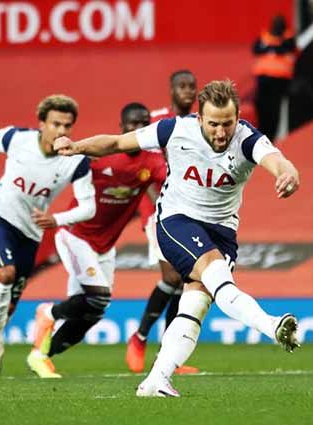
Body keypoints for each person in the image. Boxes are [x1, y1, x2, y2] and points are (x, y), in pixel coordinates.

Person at [54, 80, 301, 397]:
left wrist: (288, 173)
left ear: (238, 118)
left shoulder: (248, 138)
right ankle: (271, 325)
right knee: (217, 276)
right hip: (176, 220)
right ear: (200, 119)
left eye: (227, 123)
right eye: (213, 124)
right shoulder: (174, 129)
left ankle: (156, 380)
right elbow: (117, 144)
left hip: (222, 230)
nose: (221, 133)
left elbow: (278, 161)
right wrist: (76, 146)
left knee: (195, 304)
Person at [0, 95, 95, 378]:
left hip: (30, 233)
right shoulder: (18, 138)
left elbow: (88, 207)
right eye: (56, 124)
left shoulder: (76, 161)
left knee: (6, 307)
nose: (62, 132)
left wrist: (56, 219)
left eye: (67, 126)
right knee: (5, 274)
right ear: (42, 124)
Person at [25, 102, 169, 378]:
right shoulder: (101, 155)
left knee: (94, 311)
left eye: (144, 124)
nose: (138, 129)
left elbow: (173, 181)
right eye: (133, 124)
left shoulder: (151, 162)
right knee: (97, 294)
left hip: (104, 246)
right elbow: (61, 165)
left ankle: (40, 355)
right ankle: (48, 313)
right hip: (75, 235)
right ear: (121, 127)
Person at [127, 69, 200, 375]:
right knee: (171, 278)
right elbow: (134, 155)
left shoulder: (202, 123)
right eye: (181, 86)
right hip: (156, 209)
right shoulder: (155, 121)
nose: (187, 91)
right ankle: (139, 337)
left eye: (191, 87)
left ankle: (168, 356)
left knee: (185, 282)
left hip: (190, 210)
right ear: (171, 90)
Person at [252, 14, 297, 141]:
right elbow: (256, 49)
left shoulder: (288, 38)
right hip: (263, 79)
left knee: (275, 110)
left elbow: (287, 49)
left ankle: (272, 137)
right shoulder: (264, 36)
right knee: (261, 107)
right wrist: (273, 49)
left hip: (279, 81)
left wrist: (271, 48)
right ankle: (262, 134)